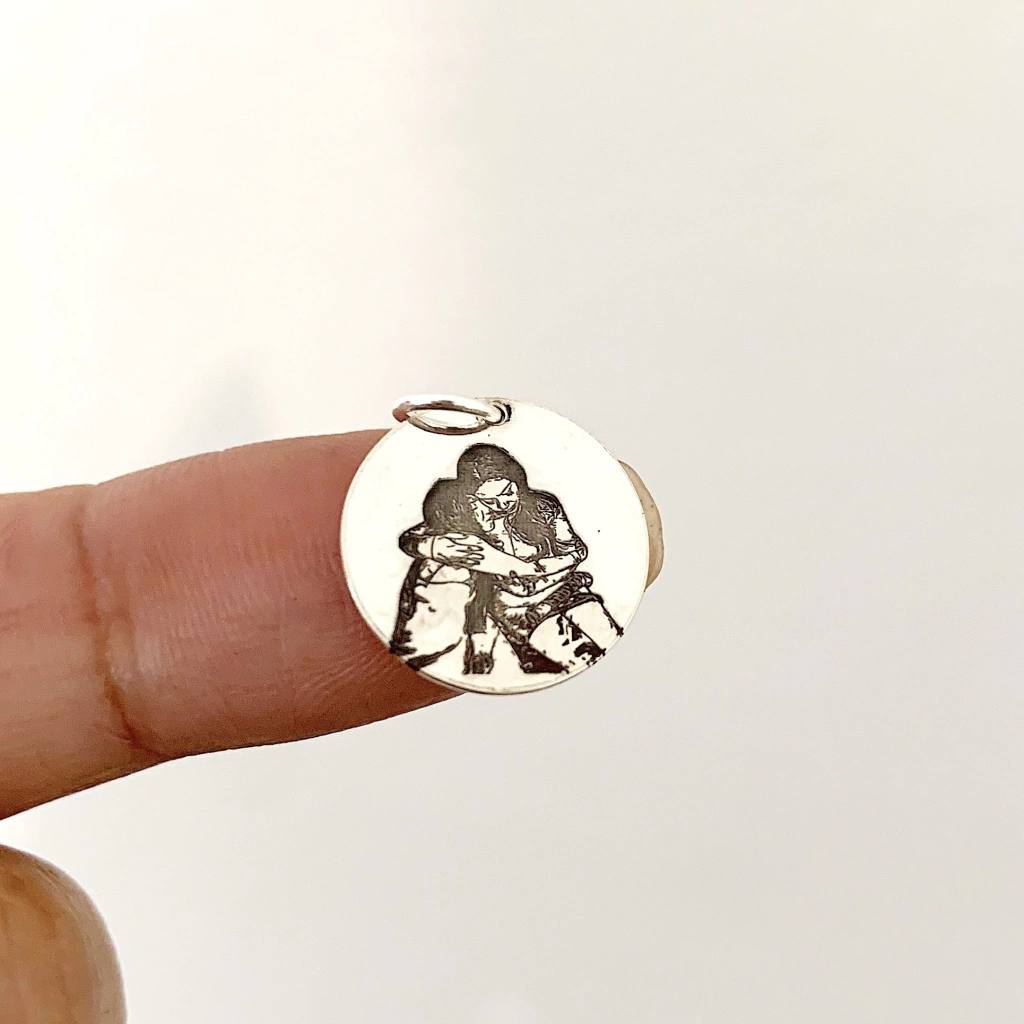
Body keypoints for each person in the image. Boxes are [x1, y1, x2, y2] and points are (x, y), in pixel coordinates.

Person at [0, 430, 659, 1018]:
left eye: (503, 497)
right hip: (487, 613)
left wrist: (519, 567)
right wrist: (458, 554)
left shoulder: (542, 510)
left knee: (573, 623)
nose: (494, 509)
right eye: (482, 501)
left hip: (551, 597)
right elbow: (415, 540)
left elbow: (573, 551)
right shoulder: (448, 507)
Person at [390, 443, 622, 676]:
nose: (502, 505)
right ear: (471, 497)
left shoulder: (543, 506)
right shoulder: (464, 517)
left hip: (565, 589)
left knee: (610, 640)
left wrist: (537, 571)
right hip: (520, 612)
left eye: (508, 493)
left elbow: (577, 551)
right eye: (490, 501)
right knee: (580, 659)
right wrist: (433, 546)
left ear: (518, 482)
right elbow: (408, 539)